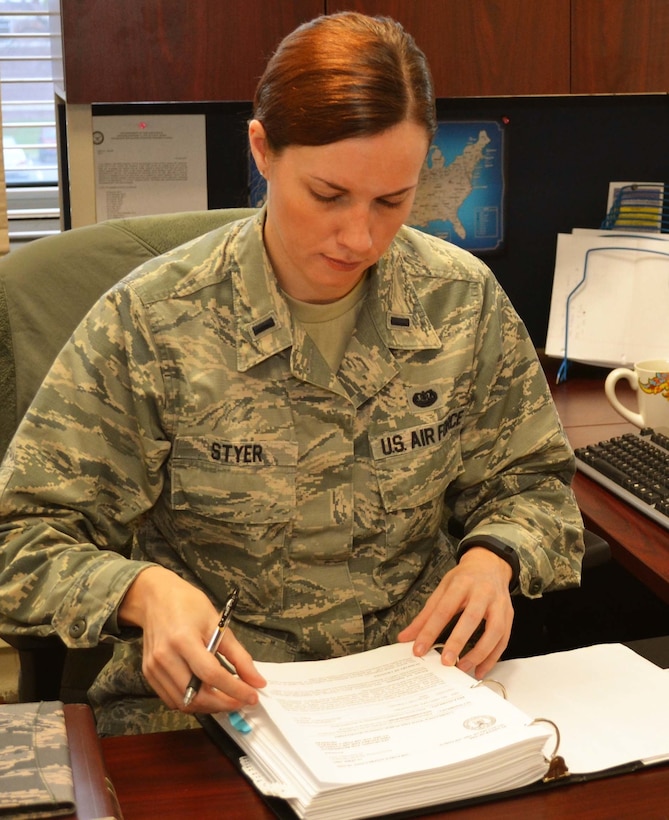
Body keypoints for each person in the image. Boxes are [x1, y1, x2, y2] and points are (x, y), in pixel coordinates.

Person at [0, 12, 584, 736]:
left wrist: (494, 558)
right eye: (328, 195)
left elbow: (531, 485)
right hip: (211, 711)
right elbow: (21, 538)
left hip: (418, 697)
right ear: (262, 150)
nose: (359, 237)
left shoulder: (459, 300)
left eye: (393, 202)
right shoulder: (152, 321)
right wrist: (142, 591)